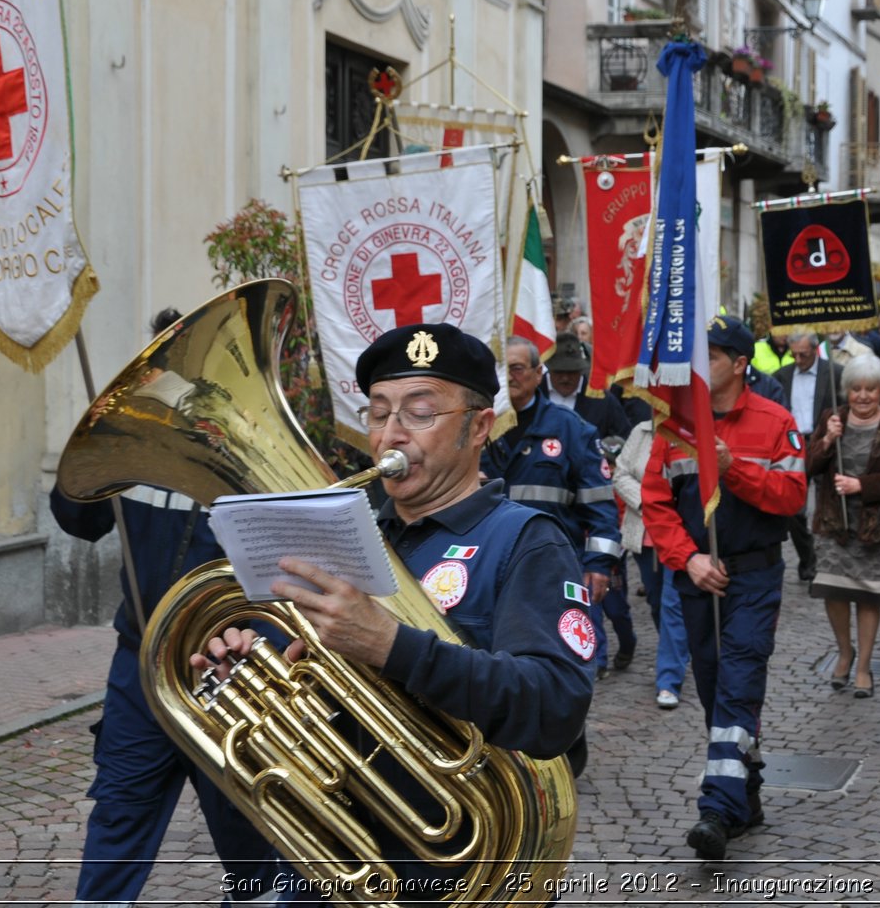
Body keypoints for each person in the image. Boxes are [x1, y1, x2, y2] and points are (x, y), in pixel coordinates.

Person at [195, 322, 595, 898]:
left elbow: (556, 704)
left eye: (420, 413)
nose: (391, 435)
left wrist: (392, 646)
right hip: (331, 866)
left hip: (458, 877)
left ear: (480, 426)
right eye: (378, 414)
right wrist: (249, 686)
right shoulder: (348, 539)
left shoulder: (526, 542)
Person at [49, 307, 285, 907]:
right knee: (119, 812)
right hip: (142, 667)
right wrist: (93, 448)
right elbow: (77, 521)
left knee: (246, 818)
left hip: (229, 670)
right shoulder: (133, 444)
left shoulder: (250, 451)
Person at [641, 315, 806, 861]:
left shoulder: (776, 421)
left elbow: (791, 497)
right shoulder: (675, 425)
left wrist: (733, 469)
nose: (698, 367)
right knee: (714, 690)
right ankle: (747, 795)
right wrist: (687, 559)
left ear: (739, 364)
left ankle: (716, 809)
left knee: (738, 682)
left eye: (709, 356)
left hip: (753, 576)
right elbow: (655, 503)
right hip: (697, 580)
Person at [486, 336, 625, 680]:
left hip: (554, 570)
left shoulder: (571, 430)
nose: (509, 377)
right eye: (501, 369)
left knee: (558, 668)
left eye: (517, 369)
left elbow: (600, 505)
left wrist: (599, 564)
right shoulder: (476, 428)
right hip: (488, 571)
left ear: (537, 374)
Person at [805, 356, 880, 697]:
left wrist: (861, 486)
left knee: (868, 596)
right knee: (834, 590)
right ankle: (844, 651)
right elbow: (808, 465)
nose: (863, 396)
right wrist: (825, 442)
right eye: (856, 389)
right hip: (834, 522)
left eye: (871, 389)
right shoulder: (832, 418)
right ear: (847, 391)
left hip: (876, 527)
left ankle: (864, 666)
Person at [613, 418, 690, 709]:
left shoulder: (691, 428)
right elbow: (620, 474)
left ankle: (669, 678)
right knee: (658, 601)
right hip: (645, 532)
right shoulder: (641, 430)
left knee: (673, 604)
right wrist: (649, 502)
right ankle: (679, 650)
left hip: (680, 532)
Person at [770, 328, 844, 581]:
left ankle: (828, 559)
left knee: (827, 504)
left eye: (803, 354)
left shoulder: (834, 373)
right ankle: (808, 556)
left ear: (815, 349)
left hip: (824, 442)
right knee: (793, 509)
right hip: (794, 444)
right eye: (795, 355)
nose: (798, 360)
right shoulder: (781, 376)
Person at [546, 333, 631, 440]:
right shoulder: (531, 394)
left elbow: (625, 439)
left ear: (581, 370)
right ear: (549, 369)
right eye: (559, 372)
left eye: (571, 372)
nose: (565, 379)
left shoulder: (603, 400)